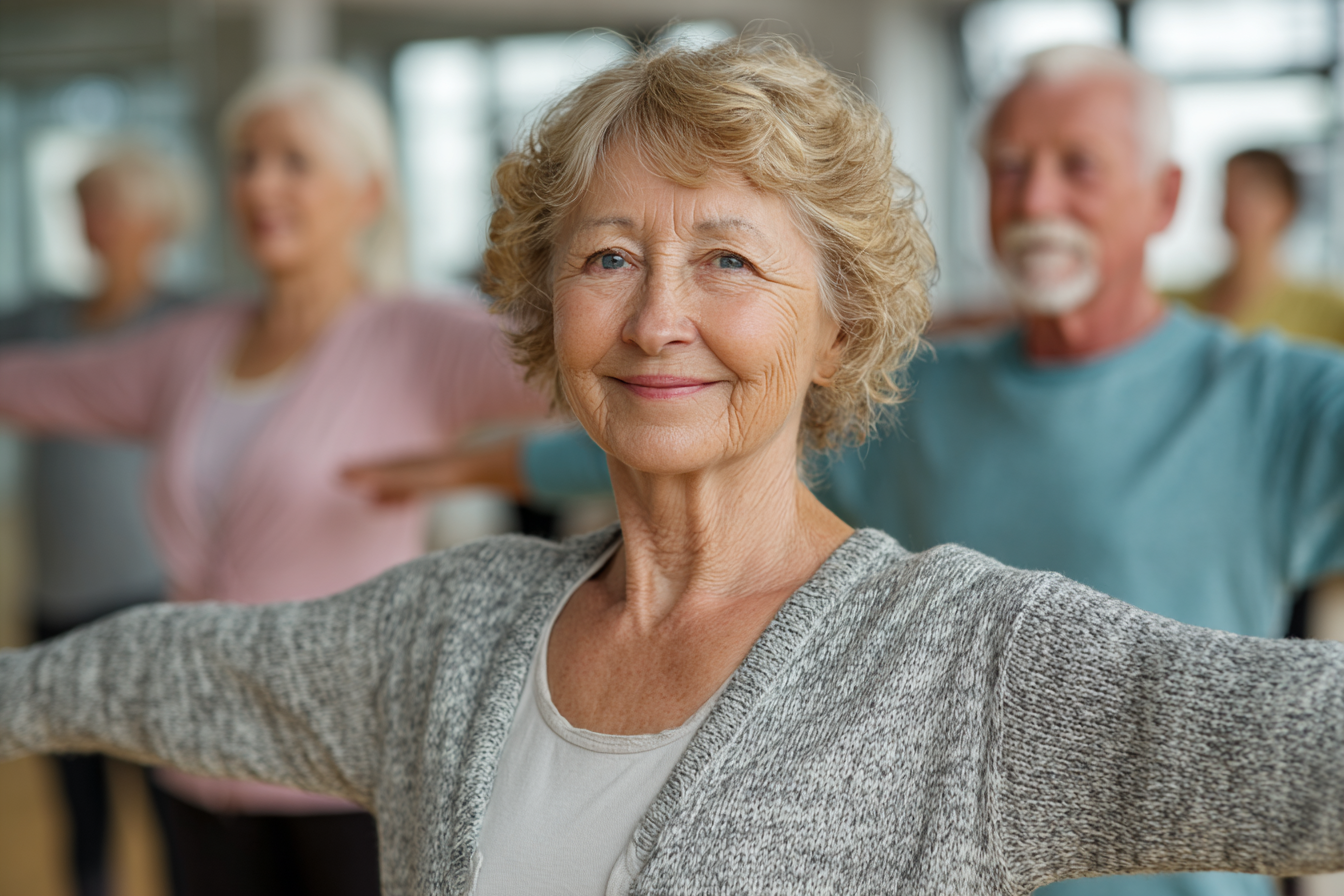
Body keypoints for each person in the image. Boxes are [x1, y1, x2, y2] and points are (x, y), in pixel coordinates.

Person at [7, 37, 1344, 896]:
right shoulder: (448, 631)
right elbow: (174, 669)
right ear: (551, 309)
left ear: (837, 327)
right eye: (607, 257)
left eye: (727, 259)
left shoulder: (971, 662)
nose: (656, 319)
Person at [0, 65, 545, 896]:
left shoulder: (418, 338)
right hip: (195, 756)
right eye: (246, 161)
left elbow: (605, 378)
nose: (260, 184)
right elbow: (36, 383)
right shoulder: (193, 344)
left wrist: (487, 466)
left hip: (343, 771)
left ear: (366, 193)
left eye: (295, 161)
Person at [2, 142, 198, 896]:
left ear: (156, 221)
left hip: (154, 606)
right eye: (83, 206)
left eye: (108, 205)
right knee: (81, 816)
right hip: (56, 605)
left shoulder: (187, 323)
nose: (91, 222)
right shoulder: (36, 322)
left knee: (172, 806)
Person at [1172, 148, 1344, 344]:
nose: (1236, 204)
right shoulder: (1177, 305)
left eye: (1252, 190)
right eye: (1228, 190)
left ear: (1287, 205)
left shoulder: (1330, 311)